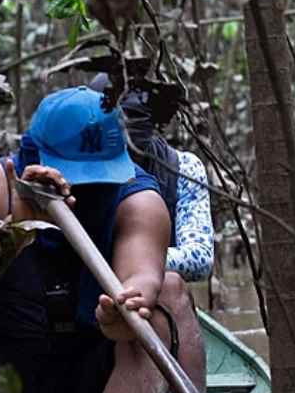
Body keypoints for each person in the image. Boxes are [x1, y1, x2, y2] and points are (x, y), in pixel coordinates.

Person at [0, 86, 206, 393]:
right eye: (76, 177)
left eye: (98, 180)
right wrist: (23, 222)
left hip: (101, 367)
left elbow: (142, 278)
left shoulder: (138, 200)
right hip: (13, 365)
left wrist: (121, 310)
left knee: (164, 299)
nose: (86, 191)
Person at [88, 73, 214, 350]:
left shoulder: (183, 167)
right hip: (88, 298)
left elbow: (200, 258)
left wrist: (137, 263)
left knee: (169, 285)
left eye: (136, 116)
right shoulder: (76, 163)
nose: (125, 126)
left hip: (154, 300)